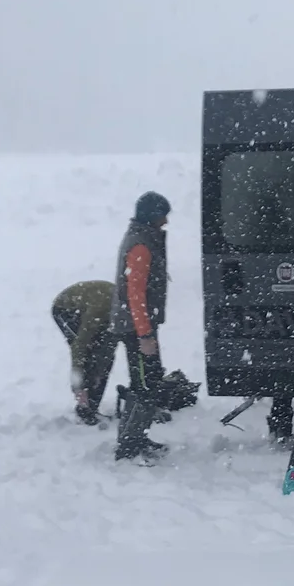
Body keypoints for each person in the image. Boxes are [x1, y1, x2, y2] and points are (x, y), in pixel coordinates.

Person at [111, 190, 172, 463]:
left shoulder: (144, 238)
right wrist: (145, 334)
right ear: (152, 216)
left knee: (146, 382)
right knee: (145, 387)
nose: (165, 222)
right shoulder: (141, 245)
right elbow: (136, 294)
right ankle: (129, 447)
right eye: (162, 216)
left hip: (137, 325)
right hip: (137, 328)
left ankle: (136, 438)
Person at [51, 280, 119, 425]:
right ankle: (84, 405)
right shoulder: (99, 310)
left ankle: (91, 407)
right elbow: (79, 346)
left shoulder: (123, 318)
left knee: (103, 358)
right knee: (87, 354)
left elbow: (109, 348)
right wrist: (78, 385)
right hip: (66, 309)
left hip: (98, 309)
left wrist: (100, 372)